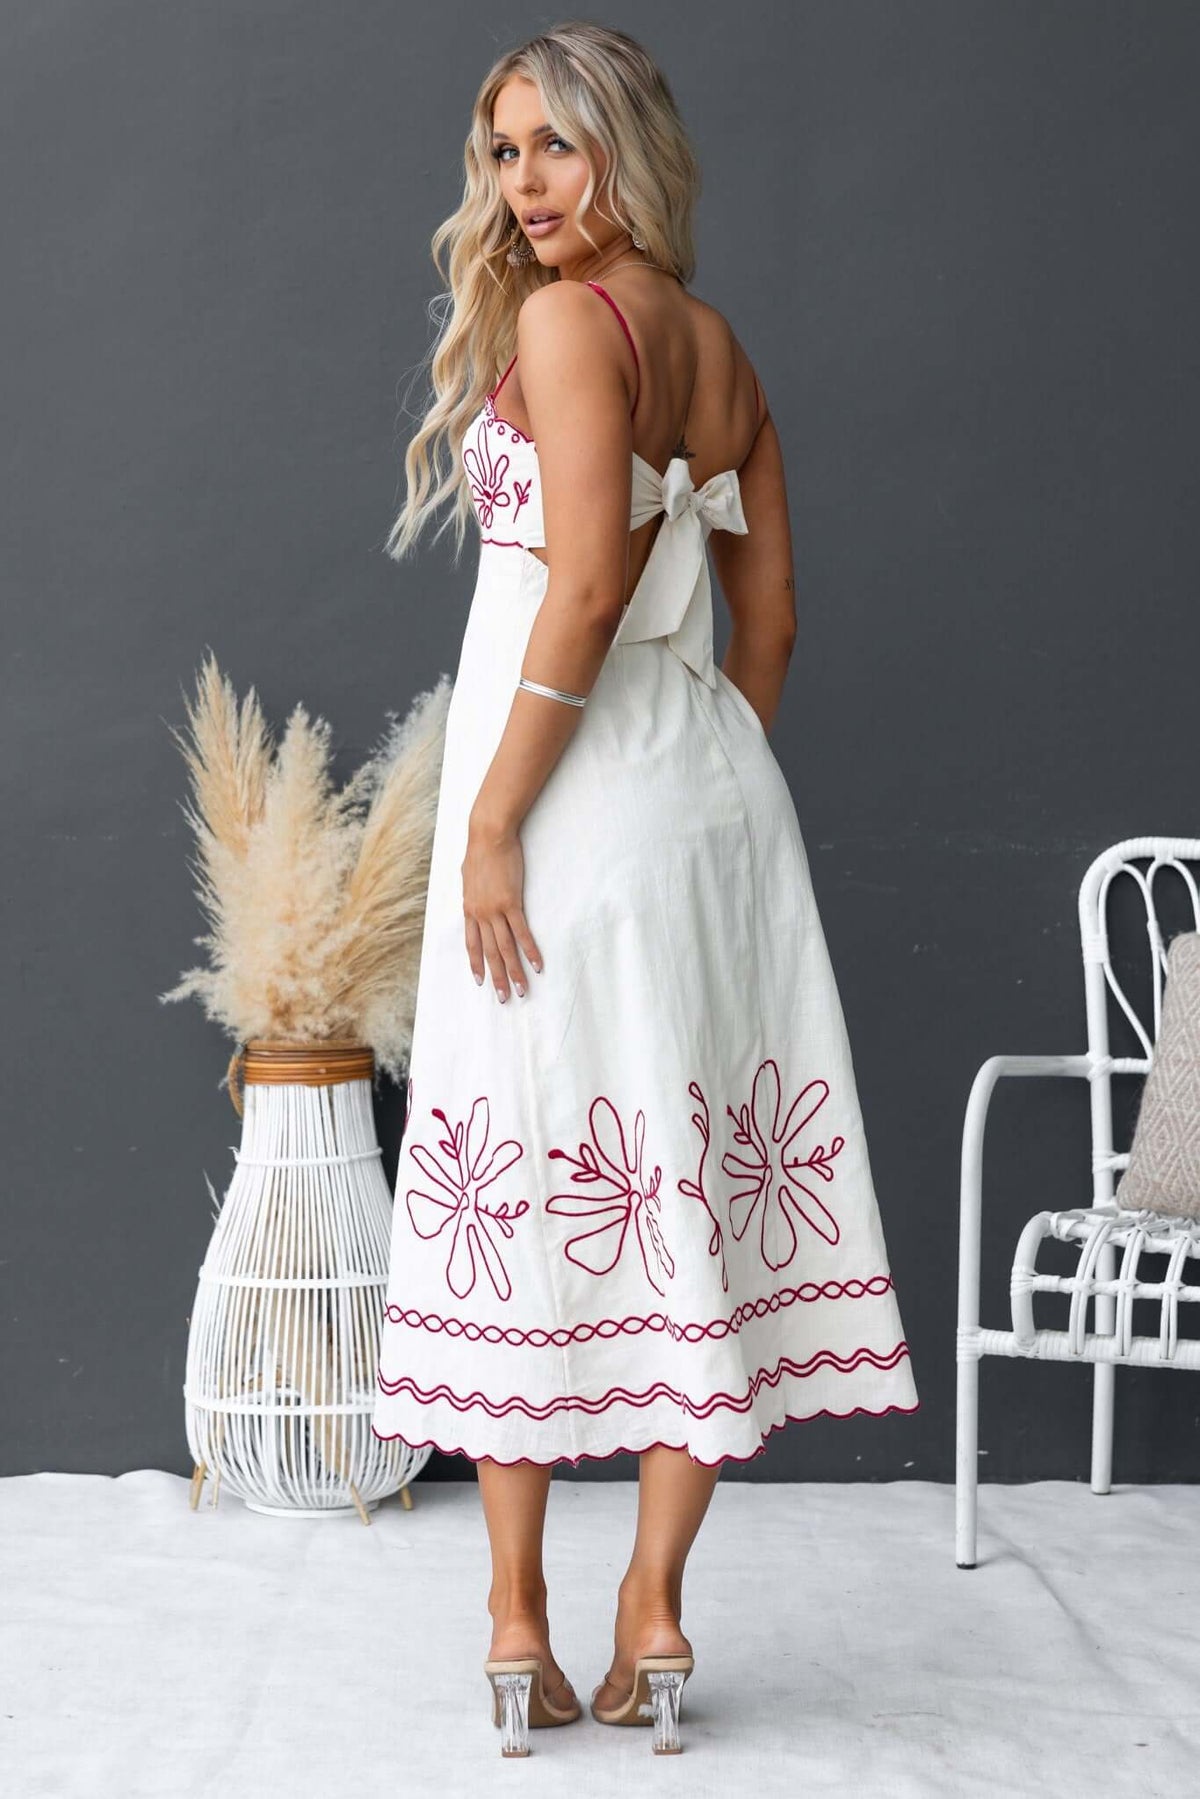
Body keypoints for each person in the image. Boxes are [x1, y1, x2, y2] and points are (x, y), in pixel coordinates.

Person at [372, 20, 919, 1757]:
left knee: (530, 1179)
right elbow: (769, 621)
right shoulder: (721, 346)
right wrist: (713, 793)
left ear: (627, 149)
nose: (523, 189)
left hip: (568, 814)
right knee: (682, 1189)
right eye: (504, 152)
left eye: (554, 148)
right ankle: (654, 1616)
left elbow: (588, 587)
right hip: (707, 814)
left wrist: (495, 824)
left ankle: (518, 1620)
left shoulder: (567, 324)